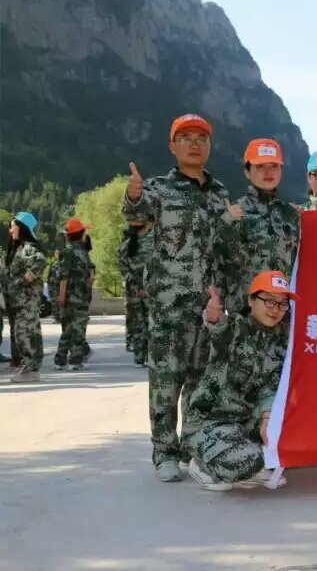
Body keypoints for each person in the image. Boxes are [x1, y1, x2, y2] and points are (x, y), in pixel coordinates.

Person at [122, 113, 231, 483]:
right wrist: (132, 194)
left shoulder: (219, 193)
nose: (194, 144)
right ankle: (164, 452)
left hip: (208, 306)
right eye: (185, 138)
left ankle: (191, 447)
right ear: (172, 147)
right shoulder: (158, 189)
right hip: (170, 304)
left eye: (201, 138)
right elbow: (136, 212)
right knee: (166, 383)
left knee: (201, 381)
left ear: (209, 146)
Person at [183, 270, 294, 491]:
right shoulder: (236, 327)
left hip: (245, 423)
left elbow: (272, 385)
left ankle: (248, 465)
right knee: (249, 460)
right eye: (269, 301)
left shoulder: (280, 339)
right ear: (251, 300)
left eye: (282, 304)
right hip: (210, 421)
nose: (275, 310)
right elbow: (219, 329)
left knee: (291, 441)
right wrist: (213, 317)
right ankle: (202, 464)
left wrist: (267, 418)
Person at [217, 139, 300, 315]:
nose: (268, 172)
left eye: (274, 166)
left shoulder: (292, 215)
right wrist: (228, 226)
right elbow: (222, 264)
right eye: (260, 166)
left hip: (284, 314)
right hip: (246, 317)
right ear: (247, 171)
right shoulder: (235, 213)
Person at [2, 212, 46, 382]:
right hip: (19, 302)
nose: (10, 230)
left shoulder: (28, 248)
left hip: (26, 302)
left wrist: (23, 281)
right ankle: (30, 369)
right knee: (24, 335)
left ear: (21, 228)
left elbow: (40, 261)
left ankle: (31, 370)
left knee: (25, 335)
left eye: (12, 227)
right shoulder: (19, 249)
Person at [54, 219, 95, 371]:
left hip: (77, 297)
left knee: (69, 330)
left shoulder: (78, 252)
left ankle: (61, 361)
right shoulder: (71, 252)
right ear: (80, 234)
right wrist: (62, 296)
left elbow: (88, 272)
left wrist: (90, 278)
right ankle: (74, 361)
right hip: (75, 297)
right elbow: (64, 276)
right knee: (77, 330)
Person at [118, 222, 153, 367]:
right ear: (146, 226)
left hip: (133, 292)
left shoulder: (125, 246)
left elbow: (124, 270)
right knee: (152, 323)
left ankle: (139, 357)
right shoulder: (153, 243)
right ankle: (151, 357)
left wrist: (136, 287)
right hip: (151, 291)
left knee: (138, 324)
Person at [47, 249, 62, 324]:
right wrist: (49, 284)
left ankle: (62, 317)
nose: (57, 254)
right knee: (54, 303)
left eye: (58, 253)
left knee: (61, 302)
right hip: (53, 287)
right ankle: (56, 318)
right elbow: (49, 275)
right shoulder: (53, 264)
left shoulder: (64, 263)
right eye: (56, 253)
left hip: (60, 286)